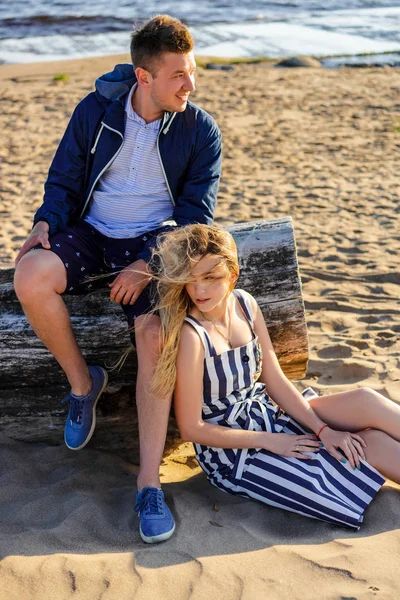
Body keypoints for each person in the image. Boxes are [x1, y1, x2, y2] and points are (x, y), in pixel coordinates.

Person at [13, 15, 222, 544]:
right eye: (178, 75)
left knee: (153, 334)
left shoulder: (200, 130)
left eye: (192, 71)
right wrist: (43, 224)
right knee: (31, 275)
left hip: (155, 242)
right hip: (92, 232)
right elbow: (63, 179)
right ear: (143, 77)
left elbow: (197, 213)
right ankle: (84, 385)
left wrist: (148, 260)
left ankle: (148, 485)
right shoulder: (96, 110)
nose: (190, 85)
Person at [149, 224, 400, 529]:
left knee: (366, 401)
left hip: (268, 413)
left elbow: (275, 380)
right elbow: (191, 429)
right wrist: (273, 442)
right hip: (235, 452)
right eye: (192, 279)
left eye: (210, 278)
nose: (199, 290)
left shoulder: (245, 304)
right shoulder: (192, 335)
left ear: (233, 276)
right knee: (370, 446)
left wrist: (323, 431)